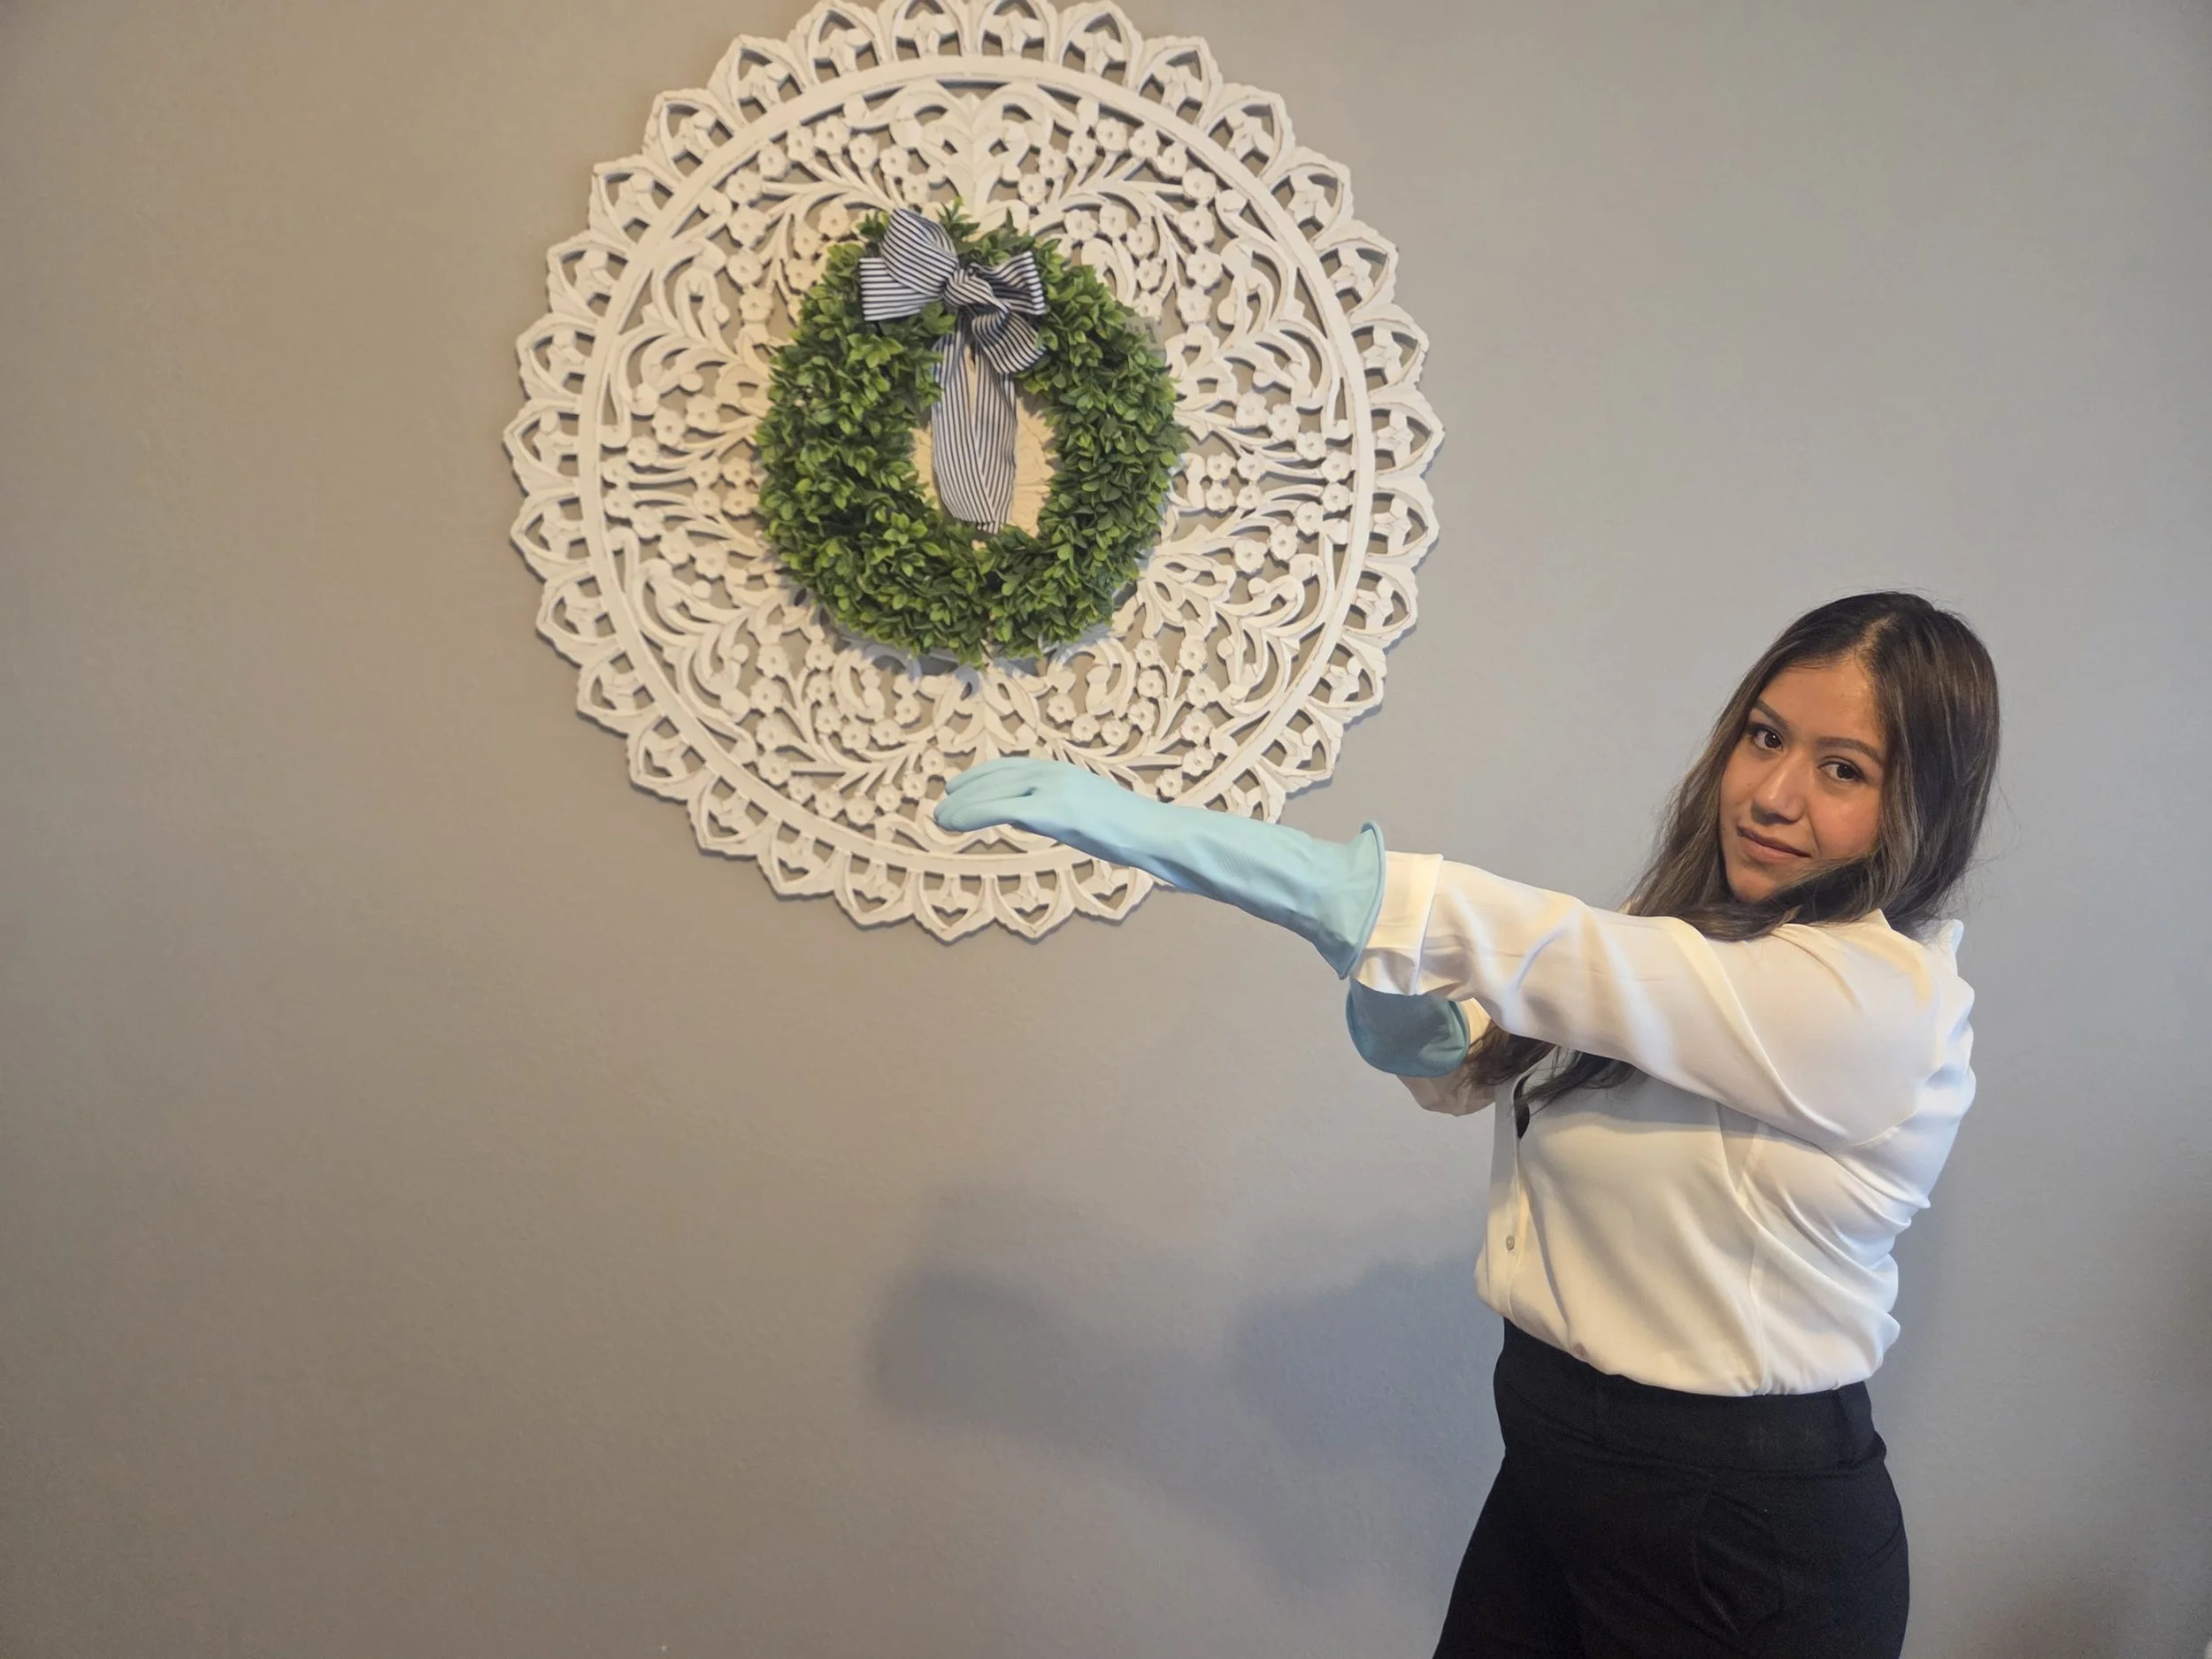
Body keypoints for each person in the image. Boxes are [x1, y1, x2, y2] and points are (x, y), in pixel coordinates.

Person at [933, 591, 2001, 1658]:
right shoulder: (1680, 946)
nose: (1772, 794)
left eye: (1842, 769)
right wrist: (1395, 991)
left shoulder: (1874, 1004)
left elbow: (1539, 951)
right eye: (1764, 738)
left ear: (1920, 805)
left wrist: (1219, 853)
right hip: (1553, 1467)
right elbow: (1470, 1056)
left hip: (1734, 1530)